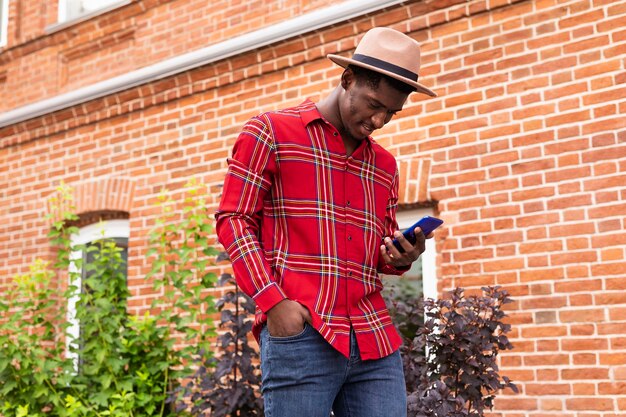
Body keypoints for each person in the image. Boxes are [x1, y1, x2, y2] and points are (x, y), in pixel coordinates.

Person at [215, 27, 437, 417]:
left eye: (392, 112)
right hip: (303, 332)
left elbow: (377, 252)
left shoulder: (384, 165)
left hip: (372, 337)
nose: (380, 120)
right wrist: (274, 302)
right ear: (347, 79)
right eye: (374, 104)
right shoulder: (270, 132)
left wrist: (400, 256)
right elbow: (233, 220)